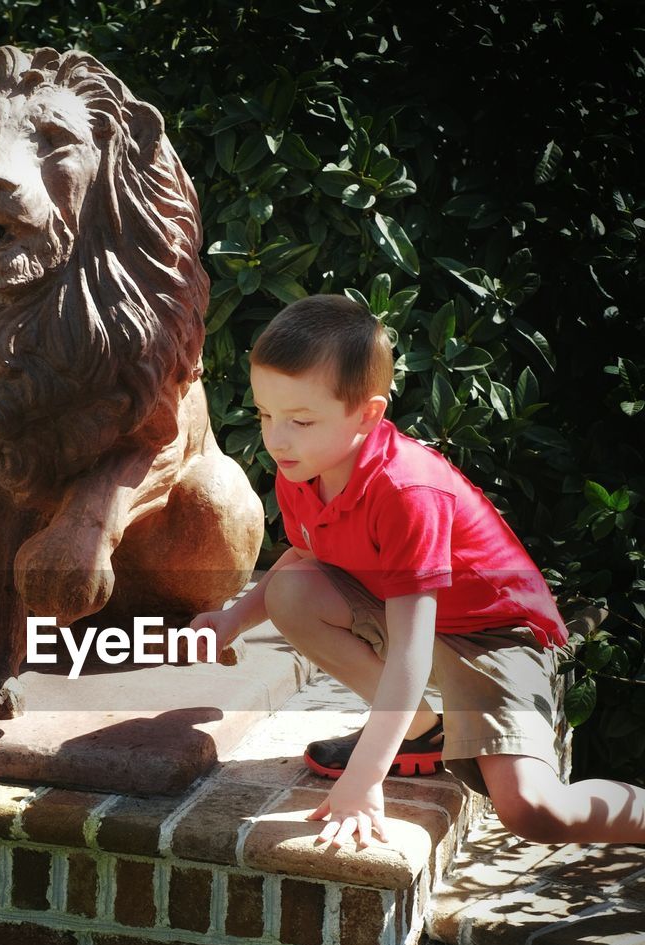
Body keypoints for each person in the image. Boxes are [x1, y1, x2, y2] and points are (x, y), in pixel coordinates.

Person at [189, 295, 645, 850]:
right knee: (290, 591)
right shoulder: (302, 468)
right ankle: (420, 731)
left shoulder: (408, 491)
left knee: (535, 811)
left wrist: (363, 780)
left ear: (368, 414)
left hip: (495, 637)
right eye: (266, 414)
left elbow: (412, 650)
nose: (276, 438)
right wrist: (233, 618)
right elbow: (306, 557)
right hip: (420, 620)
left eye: (301, 420)